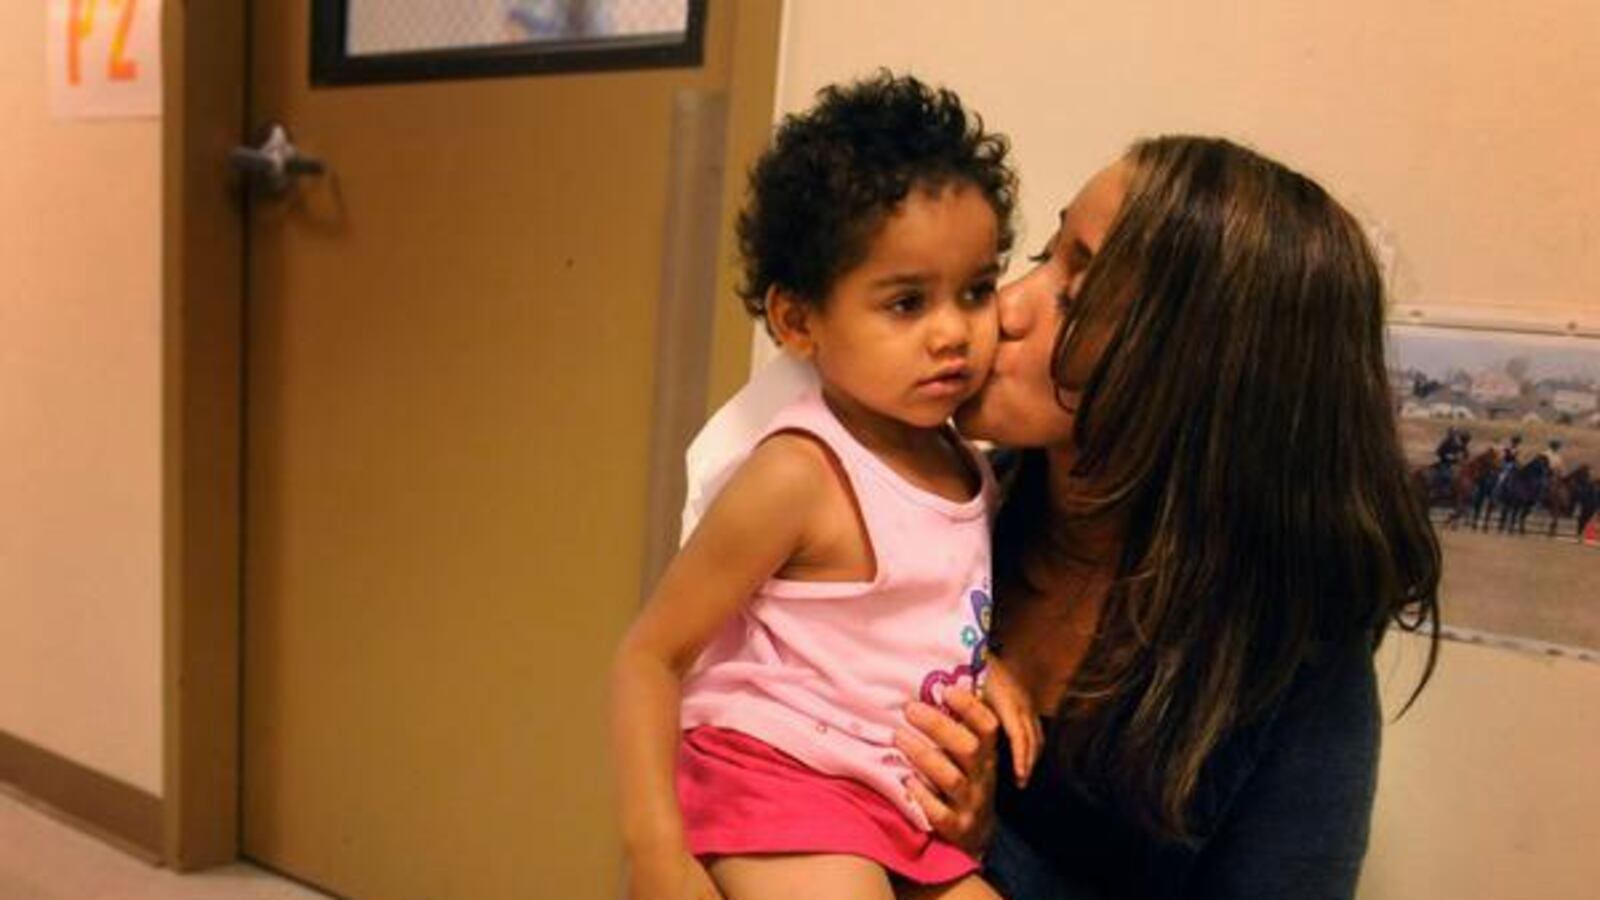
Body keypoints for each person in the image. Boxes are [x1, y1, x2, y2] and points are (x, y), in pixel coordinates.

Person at [891, 135, 1442, 899]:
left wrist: (971, 850)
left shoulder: (1293, 665)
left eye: (1075, 294)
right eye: (1042, 256)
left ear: (1197, 367)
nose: (1004, 308)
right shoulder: (937, 511)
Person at [610, 73, 1040, 900]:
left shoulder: (965, 465)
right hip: (775, 784)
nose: (955, 331)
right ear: (799, 321)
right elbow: (648, 656)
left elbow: (908, 626)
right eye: (907, 302)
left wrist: (993, 667)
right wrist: (658, 851)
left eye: (977, 290)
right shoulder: (799, 473)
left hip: (895, 808)